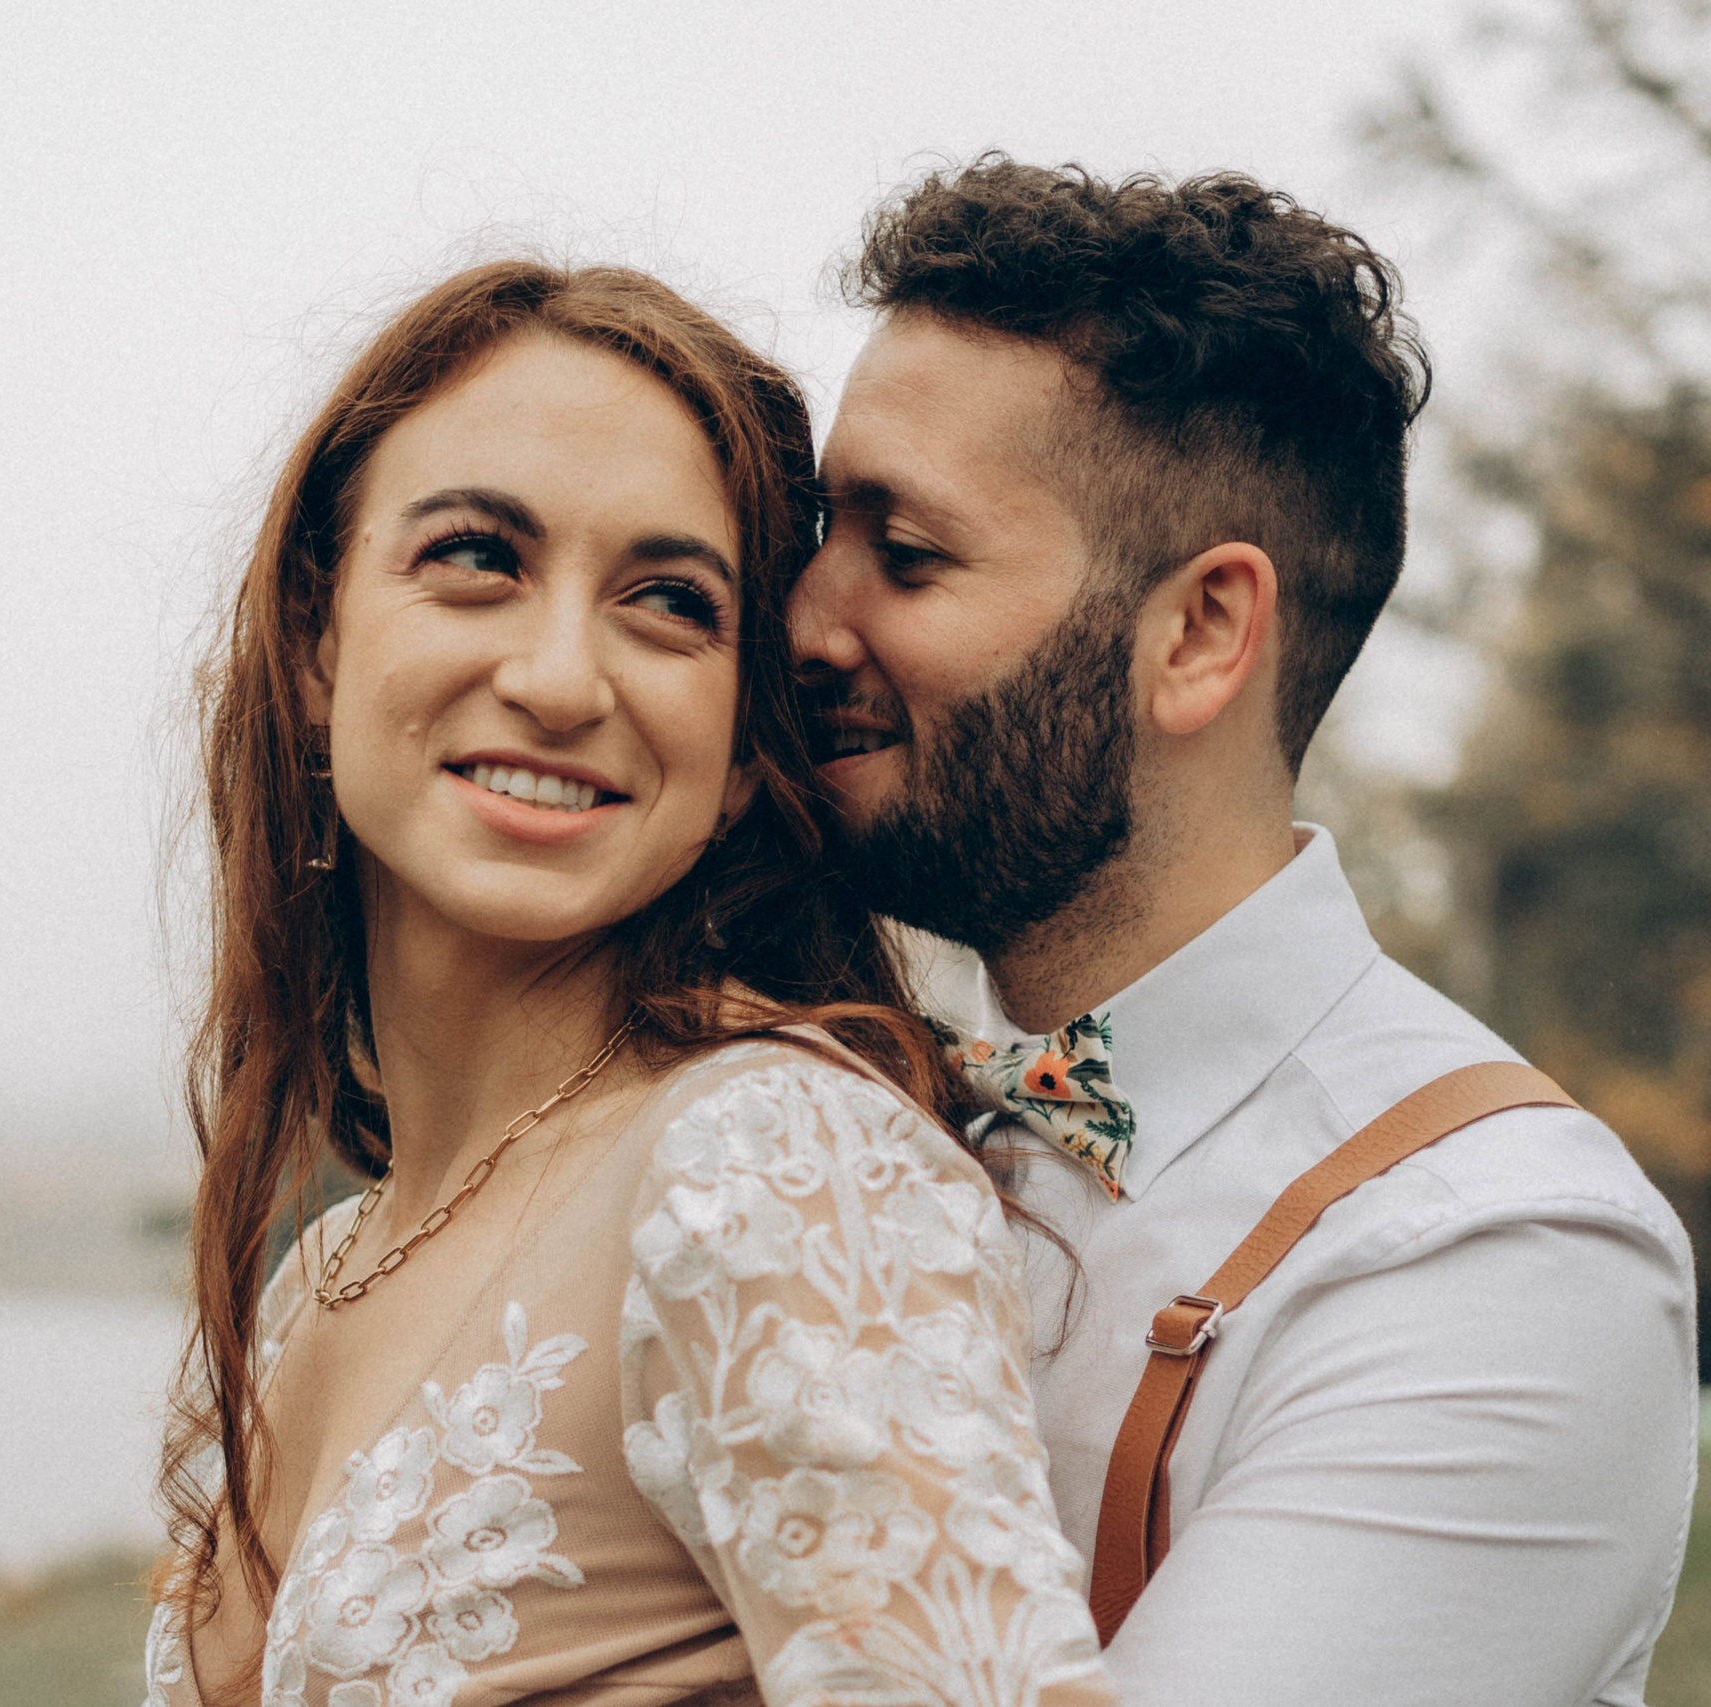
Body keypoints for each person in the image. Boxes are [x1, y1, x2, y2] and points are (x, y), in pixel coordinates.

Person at [787, 157, 1699, 1706]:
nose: (807, 616)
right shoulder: (836, 1114)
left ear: (1200, 633)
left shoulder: (1491, 1259)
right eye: (824, 526)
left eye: (908, 552)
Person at [145, 260, 1117, 1707]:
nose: (556, 679)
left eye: (668, 601)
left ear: (739, 758)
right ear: (314, 640)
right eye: (479, 556)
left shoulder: (777, 1164)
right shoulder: (313, 1282)